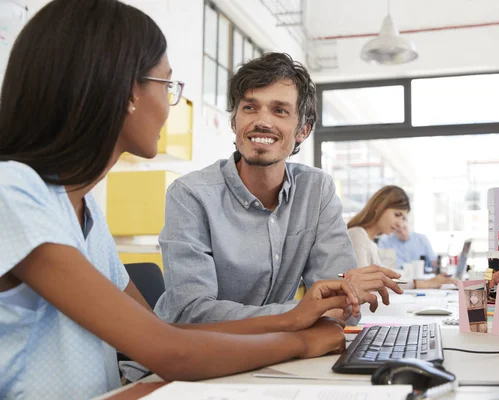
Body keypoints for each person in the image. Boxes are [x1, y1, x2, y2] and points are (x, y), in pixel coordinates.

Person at [0, 2, 362, 399]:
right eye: (166, 85)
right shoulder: (14, 194)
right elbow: (171, 350)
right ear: (125, 93)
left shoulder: (84, 210)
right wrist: (304, 340)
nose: (170, 105)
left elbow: (168, 333)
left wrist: (295, 318)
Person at [154, 52, 401, 326]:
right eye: (250, 108)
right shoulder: (190, 195)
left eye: (279, 110)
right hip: (193, 358)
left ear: (303, 131)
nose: (263, 121)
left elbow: (345, 308)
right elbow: (191, 315)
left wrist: (339, 299)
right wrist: (300, 314)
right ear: (234, 122)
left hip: (275, 355)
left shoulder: (316, 191)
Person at [347, 186, 455, 289]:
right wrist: (425, 283)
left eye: (403, 218)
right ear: (379, 207)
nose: (400, 224)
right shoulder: (357, 235)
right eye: (397, 215)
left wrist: (425, 283)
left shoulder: (370, 242)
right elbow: (366, 283)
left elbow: (384, 280)